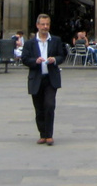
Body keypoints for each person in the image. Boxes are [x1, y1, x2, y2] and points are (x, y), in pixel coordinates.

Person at [20, 14, 65, 146]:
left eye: (47, 24)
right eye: (43, 24)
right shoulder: (30, 43)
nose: (45, 27)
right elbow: (24, 59)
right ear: (37, 25)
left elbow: (62, 56)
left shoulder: (56, 40)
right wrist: (35, 61)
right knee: (39, 108)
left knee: (49, 105)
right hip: (36, 78)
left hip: (51, 78)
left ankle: (49, 135)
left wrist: (55, 60)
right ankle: (42, 134)